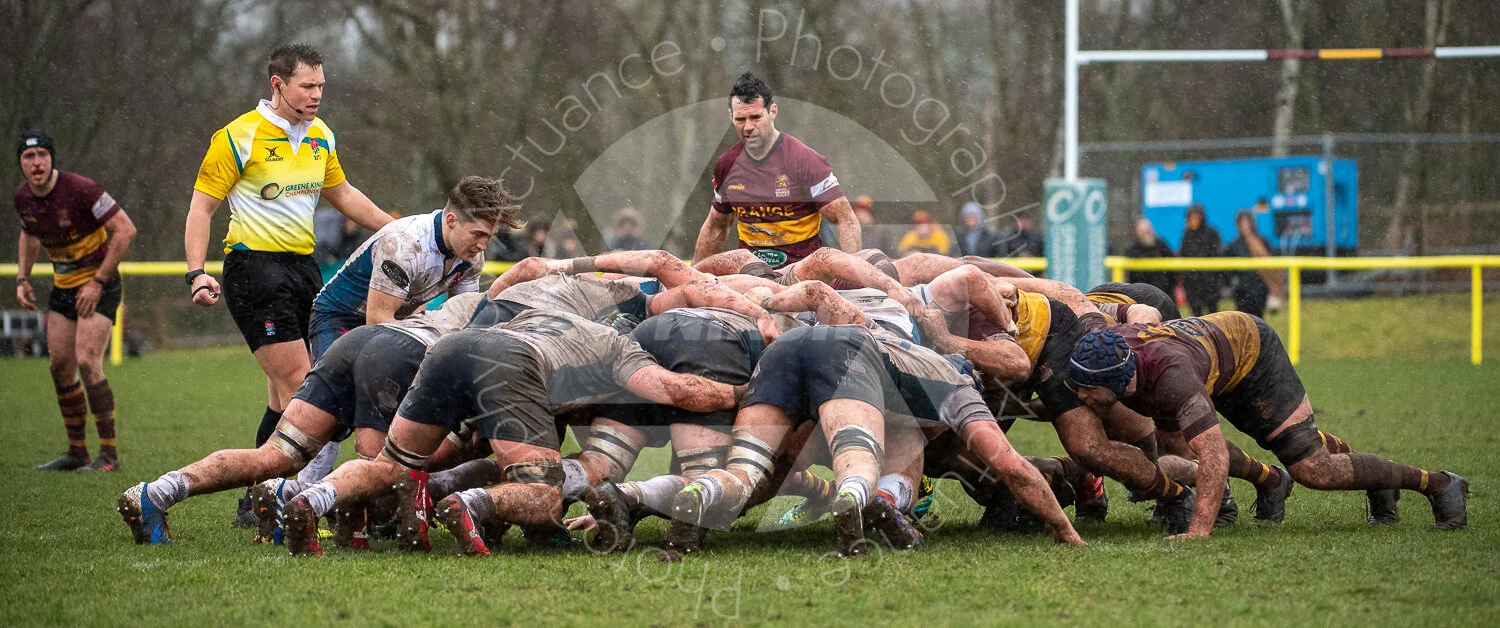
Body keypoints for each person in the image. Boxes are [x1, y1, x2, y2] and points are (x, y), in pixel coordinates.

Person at [184, 43, 393, 526]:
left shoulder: (320, 135)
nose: (318, 94)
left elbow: (341, 192)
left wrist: (397, 229)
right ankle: (285, 499)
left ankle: (256, 502)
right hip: (254, 270)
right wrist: (196, 272)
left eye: (322, 85)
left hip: (304, 270)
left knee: (284, 399)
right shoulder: (237, 136)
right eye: (307, 85)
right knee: (305, 386)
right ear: (277, 84)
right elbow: (201, 209)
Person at [114, 292, 490, 546]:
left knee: (277, 455)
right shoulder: (517, 323)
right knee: (384, 467)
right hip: (400, 352)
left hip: (357, 340)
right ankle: (306, 501)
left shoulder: (481, 297)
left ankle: (156, 493)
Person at [1068, 319, 1469, 538]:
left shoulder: (1172, 380)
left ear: (1119, 381)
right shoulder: (1109, 352)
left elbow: (1214, 453)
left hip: (1253, 359)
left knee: (1313, 468)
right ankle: (1277, 481)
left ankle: (1437, 483)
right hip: (1213, 364)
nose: (1080, 397)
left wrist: (1198, 533)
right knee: (1178, 445)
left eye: (1088, 390)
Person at [296, 176, 517, 483]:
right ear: (452, 220)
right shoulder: (405, 244)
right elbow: (377, 323)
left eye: (489, 237)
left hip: (397, 323)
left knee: (407, 406)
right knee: (332, 412)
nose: (482, 245)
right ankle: (298, 498)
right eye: (478, 233)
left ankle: (382, 496)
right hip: (341, 317)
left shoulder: (472, 256)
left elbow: (466, 320)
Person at [13, 129, 137, 472]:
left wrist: (97, 282)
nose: (36, 163)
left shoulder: (81, 189)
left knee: (86, 360)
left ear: (52, 159)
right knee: (59, 365)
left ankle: (108, 455)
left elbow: (125, 230)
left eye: (41, 155)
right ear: (21, 164)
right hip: (64, 287)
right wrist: (23, 277)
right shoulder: (23, 198)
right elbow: (28, 233)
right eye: (28, 157)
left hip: (100, 282)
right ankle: (77, 452)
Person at [692, 72, 859, 269]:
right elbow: (715, 227)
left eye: (755, 117)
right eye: (740, 119)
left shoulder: (804, 160)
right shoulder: (726, 164)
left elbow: (846, 219)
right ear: (731, 116)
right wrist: (693, 279)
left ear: (772, 112)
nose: (748, 127)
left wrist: (853, 276)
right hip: (751, 276)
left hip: (800, 276)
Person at [1223, 210, 1270, 318]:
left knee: (1258, 321)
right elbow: (1227, 269)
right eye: (1242, 224)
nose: (1245, 227)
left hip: (1259, 289)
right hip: (1242, 292)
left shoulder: (1261, 241)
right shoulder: (1234, 245)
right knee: (1243, 321)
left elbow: (1270, 266)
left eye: (1247, 223)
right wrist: (1234, 282)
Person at [1178, 203, 1221, 316]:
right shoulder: (1187, 234)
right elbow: (1184, 253)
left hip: (1210, 282)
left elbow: (1217, 253)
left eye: (1197, 216)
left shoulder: (1211, 232)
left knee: (1213, 315)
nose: (1194, 219)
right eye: (1191, 216)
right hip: (1192, 282)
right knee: (1196, 315)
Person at [1123, 218, 1176, 296]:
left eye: (1148, 230)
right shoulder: (1133, 249)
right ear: (1137, 232)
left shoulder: (1161, 245)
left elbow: (1172, 266)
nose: (1146, 233)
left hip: (1163, 291)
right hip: (1142, 293)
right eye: (1142, 231)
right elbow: (1131, 275)